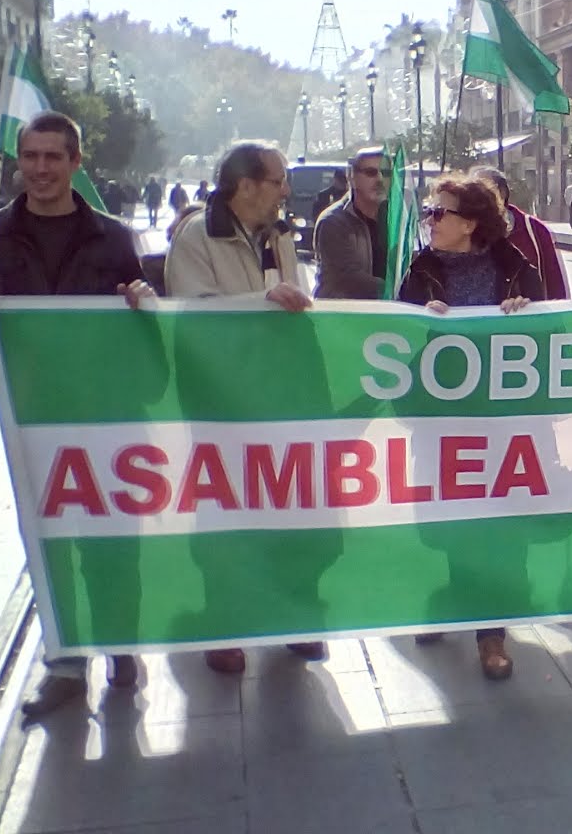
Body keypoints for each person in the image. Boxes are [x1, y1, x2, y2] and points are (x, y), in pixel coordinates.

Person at [0, 111, 155, 719]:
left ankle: (121, 641)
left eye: (53, 157)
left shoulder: (114, 237)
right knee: (49, 537)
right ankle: (66, 660)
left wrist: (144, 302)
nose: (40, 168)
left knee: (113, 536)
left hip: (105, 409)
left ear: (74, 163)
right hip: (34, 411)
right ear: (20, 161)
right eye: (31, 156)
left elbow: (142, 328)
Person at [164, 141, 327, 674]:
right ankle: (225, 623)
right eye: (279, 180)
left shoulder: (279, 235)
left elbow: (294, 307)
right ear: (247, 186)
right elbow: (193, 314)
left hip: (278, 394)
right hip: (220, 398)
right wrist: (265, 302)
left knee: (287, 505)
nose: (287, 189)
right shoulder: (195, 237)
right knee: (225, 510)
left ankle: (290, 616)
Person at [398, 172, 544, 680]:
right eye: (428, 212)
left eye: (440, 213)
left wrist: (530, 318)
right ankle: (450, 597)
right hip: (442, 425)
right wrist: (418, 323)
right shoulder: (420, 271)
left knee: (498, 526)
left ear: (472, 224)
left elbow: (553, 339)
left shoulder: (517, 269)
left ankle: (491, 633)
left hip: (503, 424)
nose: (430, 222)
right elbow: (392, 346)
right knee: (446, 522)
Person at [472, 166, 570, 299]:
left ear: (502, 193)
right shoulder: (464, 232)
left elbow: (555, 285)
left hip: (529, 317)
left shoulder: (534, 230)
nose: (474, 198)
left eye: (482, 190)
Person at [313, 149, 389, 300]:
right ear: (351, 177)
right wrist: (398, 289)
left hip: (385, 314)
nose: (380, 179)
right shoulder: (333, 221)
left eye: (386, 172)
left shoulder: (395, 219)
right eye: (371, 172)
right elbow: (348, 278)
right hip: (343, 315)